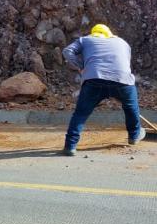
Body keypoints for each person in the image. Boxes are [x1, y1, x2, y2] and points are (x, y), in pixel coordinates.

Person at [61, 24, 144, 156]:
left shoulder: (85, 40)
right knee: (131, 107)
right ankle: (134, 136)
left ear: (93, 33)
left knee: (81, 113)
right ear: (109, 34)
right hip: (122, 80)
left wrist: (81, 66)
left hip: (94, 79)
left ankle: (70, 146)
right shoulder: (122, 42)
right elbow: (125, 62)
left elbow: (67, 51)